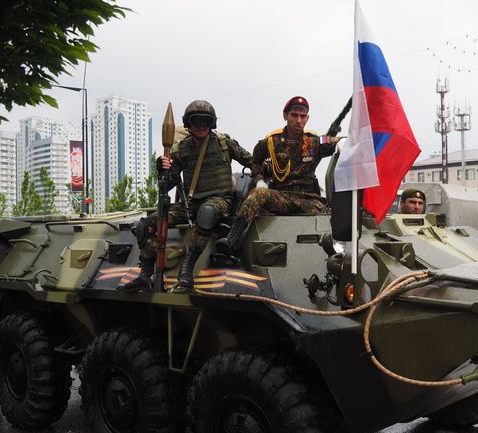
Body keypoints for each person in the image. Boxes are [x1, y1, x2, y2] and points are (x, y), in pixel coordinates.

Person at [119, 100, 253, 291]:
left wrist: (263, 180)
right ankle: (145, 275)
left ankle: (187, 270)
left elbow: (252, 161)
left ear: (212, 123)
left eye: (206, 121)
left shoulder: (224, 144)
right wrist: (162, 171)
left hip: (220, 201)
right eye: (196, 121)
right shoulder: (180, 149)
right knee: (145, 225)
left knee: (207, 212)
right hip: (192, 204)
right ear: (188, 124)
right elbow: (166, 186)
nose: (201, 126)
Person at [216, 96, 340, 256]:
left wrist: (342, 142)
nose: (298, 120)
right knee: (258, 194)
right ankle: (231, 239)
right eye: (294, 115)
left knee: (332, 219)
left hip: (309, 199)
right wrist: (259, 180)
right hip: (282, 197)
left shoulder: (313, 140)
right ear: (285, 116)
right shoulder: (271, 141)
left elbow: (337, 141)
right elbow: (255, 161)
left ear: (307, 118)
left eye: (303, 116)